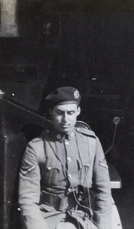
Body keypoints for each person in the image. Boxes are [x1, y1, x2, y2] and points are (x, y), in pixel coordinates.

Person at [18, 86, 112, 229]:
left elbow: (103, 190)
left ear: (78, 112)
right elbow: (28, 200)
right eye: (60, 113)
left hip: (85, 215)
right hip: (49, 217)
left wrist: (102, 226)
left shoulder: (91, 142)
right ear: (50, 112)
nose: (65, 119)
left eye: (70, 112)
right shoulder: (36, 147)